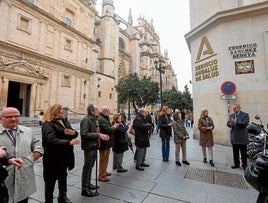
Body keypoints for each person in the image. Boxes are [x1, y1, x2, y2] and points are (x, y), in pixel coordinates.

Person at [0, 107, 43, 203]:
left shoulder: (28, 130)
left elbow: (36, 143)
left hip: (25, 176)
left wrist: (38, 151)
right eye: (9, 117)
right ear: (1, 119)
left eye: (16, 116)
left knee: (23, 199)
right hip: (5, 179)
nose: (13, 119)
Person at [41, 104, 80, 203]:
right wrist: (69, 142)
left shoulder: (64, 120)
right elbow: (51, 140)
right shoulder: (48, 123)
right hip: (52, 157)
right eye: (60, 110)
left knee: (63, 177)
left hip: (65, 155)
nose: (63, 111)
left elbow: (74, 133)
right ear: (54, 111)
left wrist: (73, 133)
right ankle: (48, 200)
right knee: (50, 180)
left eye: (62, 109)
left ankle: (62, 196)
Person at [80, 104, 110, 197]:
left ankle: (88, 184)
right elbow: (84, 134)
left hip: (94, 146)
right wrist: (98, 135)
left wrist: (100, 135)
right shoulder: (86, 120)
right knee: (87, 167)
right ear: (92, 111)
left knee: (90, 166)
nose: (98, 111)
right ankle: (85, 189)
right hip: (89, 147)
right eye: (96, 109)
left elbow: (95, 131)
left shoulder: (94, 119)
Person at [98, 106, 119, 182]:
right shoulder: (101, 119)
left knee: (105, 159)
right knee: (103, 159)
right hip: (104, 142)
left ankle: (104, 172)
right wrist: (114, 127)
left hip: (107, 142)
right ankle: (101, 175)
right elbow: (107, 129)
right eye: (108, 111)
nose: (109, 113)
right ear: (104, 112)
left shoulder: (104, 118)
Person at [227, 103, 249, 170]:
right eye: (233, 108)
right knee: (235, 152)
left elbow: (245, 124)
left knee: (243, 152)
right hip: (234, 137)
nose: (234, 109)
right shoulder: (232, 115)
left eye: (235, 108)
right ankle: (236, 164)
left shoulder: (245, 115)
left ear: (239, 108)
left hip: (242, 137)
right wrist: (231, 124)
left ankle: (244, 165)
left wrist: (235, 122)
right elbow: (228, 124)